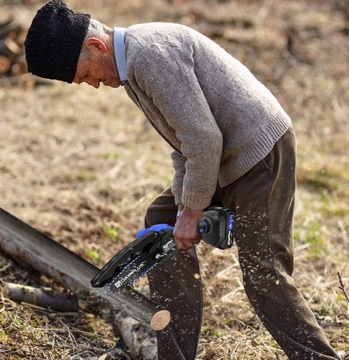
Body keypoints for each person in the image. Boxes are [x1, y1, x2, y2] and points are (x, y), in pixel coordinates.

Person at [24, 1, 341, 359]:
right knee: (160, 221)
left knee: (264, 273)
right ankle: (175, 353)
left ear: (95, 47)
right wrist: (182, 208)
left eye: (85, 75)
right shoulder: (131, 66)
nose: (93, 85)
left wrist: (191, 213)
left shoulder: (149, 55)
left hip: (259, 153)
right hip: (224, 156)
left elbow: (203, 140)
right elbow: (183, 143)